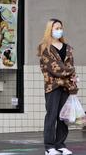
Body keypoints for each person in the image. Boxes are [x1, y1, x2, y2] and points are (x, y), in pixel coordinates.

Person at [38, 18, 77, 155]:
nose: (59, 30)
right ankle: (49, 147)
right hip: (52, 86)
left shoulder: (68, 48)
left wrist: (72, 80)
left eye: (60, 27)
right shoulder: (44, 48)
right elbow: (54, 69)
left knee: (63, 117)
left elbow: (72, 66)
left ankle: (60, 144)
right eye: (56, 28)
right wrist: (69, 73)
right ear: (50, 29)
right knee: (52, 115)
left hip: (66, 87)